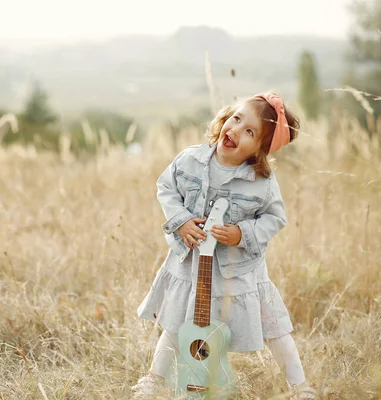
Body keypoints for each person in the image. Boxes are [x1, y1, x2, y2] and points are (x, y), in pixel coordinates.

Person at [132, 93, 315, 399]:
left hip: (238, 272)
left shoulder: (261, 182)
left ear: (259, 150)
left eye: (250, 132)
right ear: (225, 117)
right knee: (179, 322)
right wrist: (181, 220)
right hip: (191, 263)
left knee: (273, 326)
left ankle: (300, 386)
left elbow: (275, 218)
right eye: (236, 118)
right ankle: (153, 378)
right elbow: (166, 187)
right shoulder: (190, 159)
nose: (236, 130)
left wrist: (242, 233)